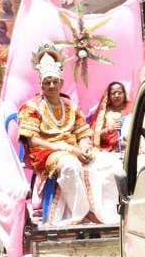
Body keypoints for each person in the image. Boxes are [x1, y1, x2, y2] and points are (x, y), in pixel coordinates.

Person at [18, 44, 120, 226]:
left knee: (109, 163)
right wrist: (66, 148)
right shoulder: (31, 107)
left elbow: (83, 132)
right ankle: (80, 213)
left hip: (73, 148)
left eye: (54, 81)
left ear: (61, 83)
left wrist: (85, 147)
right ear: (41, 84)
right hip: (47, 152)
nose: (51, 85)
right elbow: (32, 140)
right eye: (47, 81)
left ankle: (105, 212)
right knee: (70, 166)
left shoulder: (70, 105)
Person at [91, 81, 130, 154]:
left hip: (131, 148)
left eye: (119, 92)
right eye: (113, 93)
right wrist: (109, 129)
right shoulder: (103, 112)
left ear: (124, 94)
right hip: (110, 150)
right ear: (108, 95)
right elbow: (96, 136)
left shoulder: (132, 108)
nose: (116, 95)